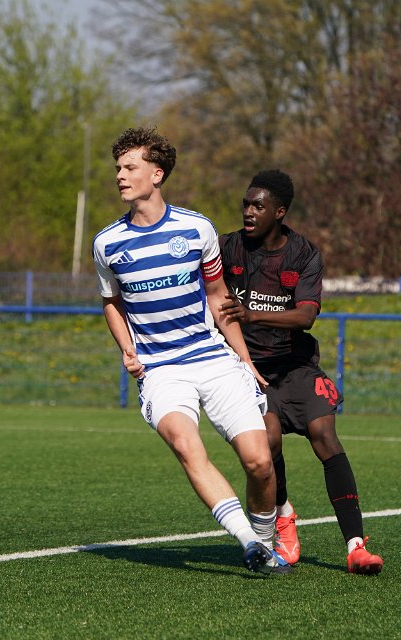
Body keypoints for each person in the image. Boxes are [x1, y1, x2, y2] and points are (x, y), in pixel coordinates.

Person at [93, 127, 288, 573]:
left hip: (212, 359)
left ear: (157, 174)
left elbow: (219, 298)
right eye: (118, 168)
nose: (120, 175)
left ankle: (265, 540)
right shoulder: (107, 243)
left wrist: (245, 360)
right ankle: (249, 543)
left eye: (130, 167)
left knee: (260, 462)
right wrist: (127, 349)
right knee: (186, 445)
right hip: (161, 370)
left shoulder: (197, 229)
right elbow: (111, 302)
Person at [219, 169, 384, 575]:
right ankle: (283, 514)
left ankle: (356, 546)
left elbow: (306, 316)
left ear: (280, 212)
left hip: (295, 364)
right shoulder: (226, 248)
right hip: (249, 368)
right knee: (269, 440)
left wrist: (250, 314)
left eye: (258, 206)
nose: (249, 212)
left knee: (325, 435)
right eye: (246, 204)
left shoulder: (304, 254)